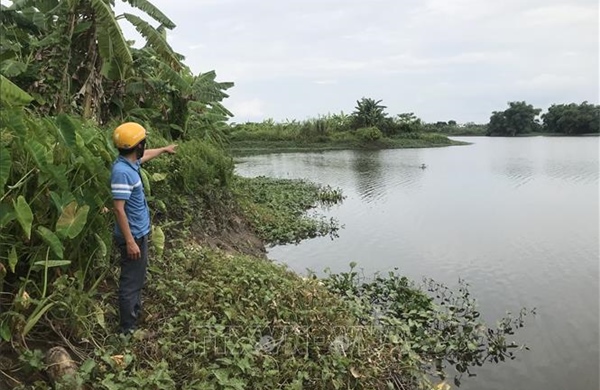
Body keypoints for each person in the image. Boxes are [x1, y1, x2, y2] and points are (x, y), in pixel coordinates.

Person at [110, 122, 177, 335]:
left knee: (136, 279)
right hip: (133, 237)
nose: (144, 147)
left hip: (139, 233)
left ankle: (134, 318)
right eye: (143, 143)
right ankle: (127, 330)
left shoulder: (130, 163)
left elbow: (144, 156)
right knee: (130, 283)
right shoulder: (122, 172)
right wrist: (130, 241)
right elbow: (119, 210)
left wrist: (164, 150)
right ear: (137, 145)